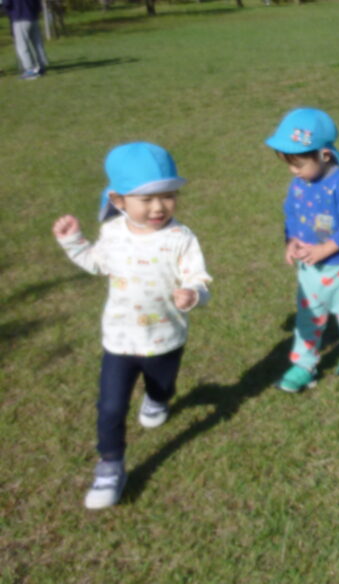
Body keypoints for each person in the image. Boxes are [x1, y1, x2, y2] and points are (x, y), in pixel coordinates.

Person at [51, 143, 212, 509]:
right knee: (110, 408)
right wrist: (73, 241)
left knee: (162, 387)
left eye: (168, 196)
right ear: (118, 200)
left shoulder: (181, 238)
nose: (159, 207)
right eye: (146, 199)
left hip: (166, 337)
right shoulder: (112, 233)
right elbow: (96, 263)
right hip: (120, 341)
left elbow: (198, 280)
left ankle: (157, 400)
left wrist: (193, 294)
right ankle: (110, 466)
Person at [265, 108, 339, 392]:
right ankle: (303, 365)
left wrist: (326, 249)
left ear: (324, 155)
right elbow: (291, 214)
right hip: (309, 269)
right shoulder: (299, 185)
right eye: (289, 164)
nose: (293, 171)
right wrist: (292, 241)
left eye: (298, 164)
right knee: (307, 319)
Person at [2, 0, 48, 79]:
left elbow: (6, 2)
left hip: (20, 18)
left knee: (22, 46)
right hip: (33, 17)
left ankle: (30, 69)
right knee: (37, 43)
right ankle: (41, 66)